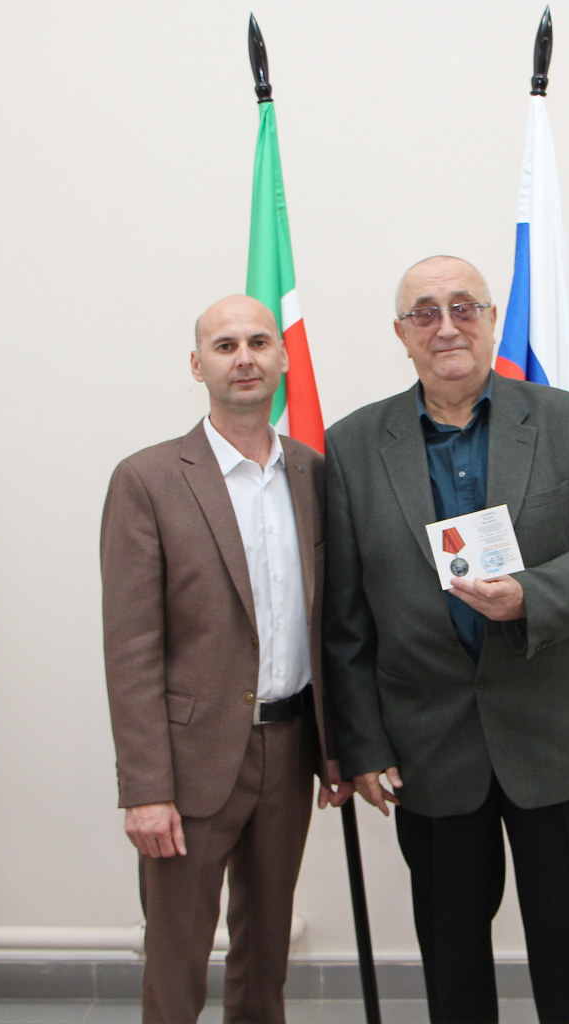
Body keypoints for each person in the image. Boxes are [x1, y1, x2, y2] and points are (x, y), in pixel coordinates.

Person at [324, 256, 569, 1024]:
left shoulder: (567, 420)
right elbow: (345, 619)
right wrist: (362, 743)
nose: (446, 326)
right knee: (453, 963)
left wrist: (530, 595)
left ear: (492, 319)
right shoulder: (351, 445)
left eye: (464, 306)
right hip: (428, 745)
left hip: (550, 737)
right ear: (401, 333)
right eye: (425, 312)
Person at [101, 294, 353, 1024]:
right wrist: (146, 788)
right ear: (197, 365)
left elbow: (333, 621)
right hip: (189, 763)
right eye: (225, 345)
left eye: (258, 342)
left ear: (282, 358)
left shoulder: (313, 473)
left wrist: (337, 748)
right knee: (176, 959)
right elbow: (130, 646)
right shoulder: (147, 479)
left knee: (266, 956)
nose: (244, 358)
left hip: (291, 747)